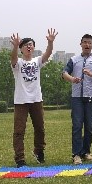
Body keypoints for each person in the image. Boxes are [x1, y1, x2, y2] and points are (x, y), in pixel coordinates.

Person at [10, 28, 57, 167]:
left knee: (40, 128)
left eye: (31, 45)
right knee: (19, 131)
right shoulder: (18, 63)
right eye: (26, 45)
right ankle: (20, 158)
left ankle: (39, 151)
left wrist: (50, 42)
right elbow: (13, 59)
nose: (29, 47)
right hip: (21, 101)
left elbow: (48, 54)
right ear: (21, 49)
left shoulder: (37, 61)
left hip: (36, 99)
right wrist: (14, 46)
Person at [62, 34, 92, 165]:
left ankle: (86, 152)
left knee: (89, 126)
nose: (87, 45)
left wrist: (91, 74)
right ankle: (76, 154)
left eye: (89, 43)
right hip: (77, 98)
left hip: (91, 96)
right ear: (81, 44)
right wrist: (72, 79)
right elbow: (64, 73)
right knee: (77, 125)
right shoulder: (74, 60)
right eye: (85, 42)